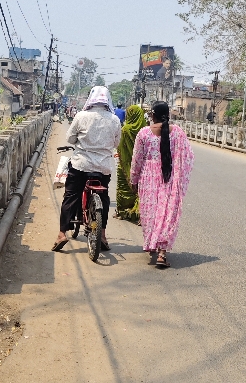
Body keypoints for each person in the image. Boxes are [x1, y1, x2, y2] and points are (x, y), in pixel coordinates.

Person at [52, 86, 121, 251]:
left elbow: (70, 138)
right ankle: (102, 235)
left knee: (71, 196)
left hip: (81, 164)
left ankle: (62, 234)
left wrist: (82, 141)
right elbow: (116, 143)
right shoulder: (114, 120)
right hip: (103, 167)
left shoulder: (81, 116)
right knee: (104, 198)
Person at [130, 100, 194, 268]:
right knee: (166, 213)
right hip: (169, 176)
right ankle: (162, 253)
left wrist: (133, 179)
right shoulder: (177, 132)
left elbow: (137, 160)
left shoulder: (144, 133)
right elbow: (188, 156)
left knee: (150, 212)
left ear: (152, 115)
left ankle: (152, 243)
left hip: (148, 177)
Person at [115, 105, 148, 221]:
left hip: (124, 164)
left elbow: (119, 146)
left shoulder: (125, 130)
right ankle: (138, 212)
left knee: (123, 187)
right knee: (139, 189)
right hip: (141, 165)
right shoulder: (146, 130)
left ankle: (122, 211)